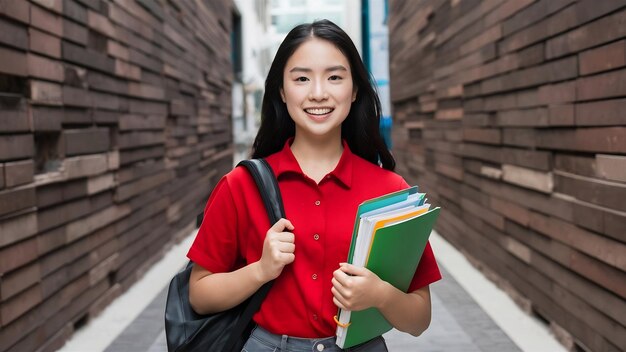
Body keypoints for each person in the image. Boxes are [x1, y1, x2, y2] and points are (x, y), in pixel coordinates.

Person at [187, 19, 441, 352]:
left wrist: (380, 294)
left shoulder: (391, 191)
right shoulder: (241, 185)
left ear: (354, 90)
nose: (318, 93)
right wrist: (261, 270)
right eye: (302, 78)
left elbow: (419, 318)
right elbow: (199, 295)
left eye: (334, 77)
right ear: (281, 89)